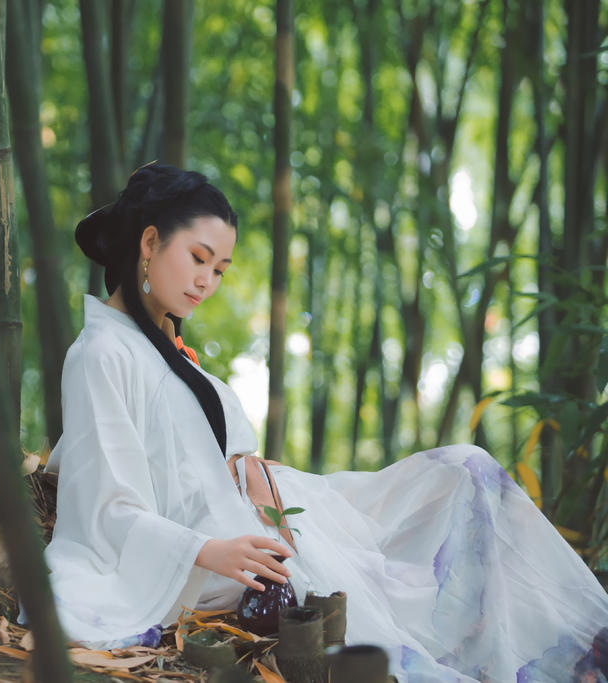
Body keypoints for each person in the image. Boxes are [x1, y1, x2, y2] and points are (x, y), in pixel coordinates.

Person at [39, 162, 608, 681]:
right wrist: (210, 550)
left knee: (466, 470)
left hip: (278, 520)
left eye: (220, 268)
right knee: (391, 597)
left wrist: (269, 508)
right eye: (197, 257)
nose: (207, 281)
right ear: (149, 242)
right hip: (217, 552)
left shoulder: (174, 354)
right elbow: (108, 506)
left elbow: (240, 465)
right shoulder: (101, 354)